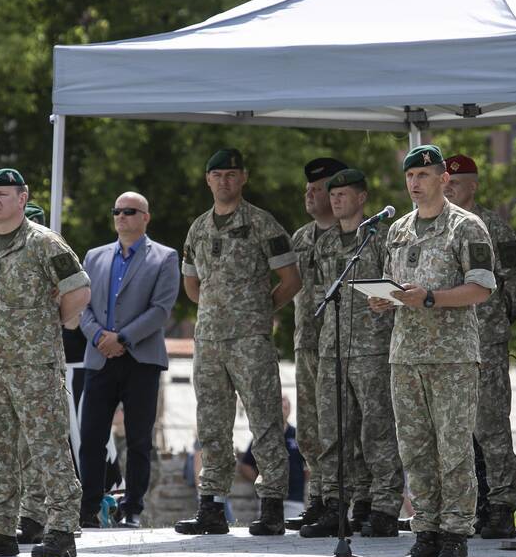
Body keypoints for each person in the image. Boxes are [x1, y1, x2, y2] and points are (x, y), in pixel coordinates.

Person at [368, 144, 496, 557]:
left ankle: (456, 537)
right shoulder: (398, 229)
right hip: (405, 355)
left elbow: (481, 288)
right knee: (415, 449)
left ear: (444, 180)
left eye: (424, 176)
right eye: (410, 177)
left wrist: (429, 299)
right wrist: (385, 300)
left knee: (453, 448)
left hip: (453, 357)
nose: (415, 184)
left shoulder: (467, 227)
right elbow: (398, 285)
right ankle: (425, 534)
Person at [0, 168, 91, 557]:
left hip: (35, 366)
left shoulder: (44, 244)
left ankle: (62, 528)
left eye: (3, 194)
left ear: (22, 197)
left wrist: (52, 323)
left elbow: (78, 291)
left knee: (47, 447)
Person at [175, 148, 300, 536]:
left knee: (264, 420)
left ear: (243, 178)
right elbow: (192, 285)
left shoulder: (263, 224)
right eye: (218, 175)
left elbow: (291, 279)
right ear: (208, 180)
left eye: (232, 174)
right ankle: (211, 505)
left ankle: (273, 505)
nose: (225, 181)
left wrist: (261, 311)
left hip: (251, 340)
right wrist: (218, 309)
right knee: (211, 422)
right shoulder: (198, 228)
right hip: (209, 340)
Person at [300, 168, 403, 539]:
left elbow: (398, 288)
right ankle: (335, 505)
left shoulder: (380, 238)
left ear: (362, 198)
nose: (336, 199)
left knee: (377, 432)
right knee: (333, 432)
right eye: (333, 194)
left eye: (344, 194)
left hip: (373, 349)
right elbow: (314, 296)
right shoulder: (325, 243)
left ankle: (384, 506)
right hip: (333, 349)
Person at [78, 191, 179, 529]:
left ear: (145, 217)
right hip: (99, 357)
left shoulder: (164, 257)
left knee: (138, 439)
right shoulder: (93, 256)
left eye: (130, 211)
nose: (122, 216)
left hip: (141, 360)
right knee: (91, 436)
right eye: (117, 210)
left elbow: (161, 310)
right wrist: (98, 337)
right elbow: (82, 305)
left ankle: (133, 508)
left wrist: (121, 338)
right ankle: (88, 506)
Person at [443, 154, 516, 539]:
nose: (448, 188)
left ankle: (501, 505)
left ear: (473, 186)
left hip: (485, 340)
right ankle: (462, 505)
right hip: (443, 342)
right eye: (445, 181)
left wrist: (494, 322)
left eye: (456, 183)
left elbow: (514, 284)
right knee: (452, 428)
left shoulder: (494, 227)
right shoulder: (434, 227)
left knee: (491, 426)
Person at [284, 156, 344, 531]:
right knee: (309, 428)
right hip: (306, 341)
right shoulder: (301, 237)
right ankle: (318, 497)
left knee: (336, 426)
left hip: (339, 345)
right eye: (307, 189)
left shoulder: (353, 234)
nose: (310, 195)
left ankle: (341, 500)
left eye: (317, 189)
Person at [238, 395, 306, 519]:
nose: (283, 406)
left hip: (294, 499)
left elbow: (310, 462)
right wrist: (260, 480)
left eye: (286, 403)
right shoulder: (264, 435)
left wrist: (301, 477)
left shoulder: (297, 435)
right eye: (280, 403)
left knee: (295, 534)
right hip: (267, 499)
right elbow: (246, 464)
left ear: (290, 409)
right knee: (269, 534)